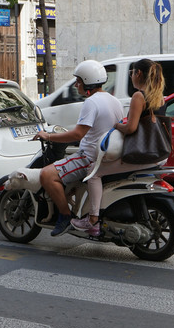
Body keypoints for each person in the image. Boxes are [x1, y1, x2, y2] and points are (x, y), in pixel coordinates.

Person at [71, 59, 166, 236]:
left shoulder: (139, 96)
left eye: (131, 73)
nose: (131, 76)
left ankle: (92, 219)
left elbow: (131, 128)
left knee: (94, 172)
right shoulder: (159, 97)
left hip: (140, 153)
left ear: (138, 74)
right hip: (157, 154)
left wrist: (116, 125)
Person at [33, 60, 123, 236]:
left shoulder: (91, 102)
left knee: (46, 175)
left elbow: (77, 134)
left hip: (89, 157)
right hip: (106, 155)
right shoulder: (114, 100)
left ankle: (65, 216)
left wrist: (48, 136)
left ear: (88, 82)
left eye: (78, 81)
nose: (76, 85)